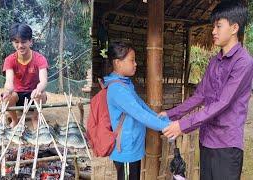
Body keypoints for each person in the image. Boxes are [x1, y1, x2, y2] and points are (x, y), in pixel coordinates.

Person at [160, 2, 253, 180]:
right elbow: (200, 96)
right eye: (213, 26)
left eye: (219, 26)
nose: (213, 31)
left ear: (234, 28)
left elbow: (223, 103)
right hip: (207, 139)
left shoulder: (244, 62)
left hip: (226, 144)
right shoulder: (214, 61)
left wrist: (183, 125)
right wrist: (171, 114)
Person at [104, 41, 171, 180]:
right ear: (117, 63)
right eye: (132, 60)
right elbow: (140, 115)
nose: (135, 64)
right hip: (126, 150)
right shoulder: (117, 89)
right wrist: (169, 127)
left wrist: (164, 120)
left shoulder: (125, 84)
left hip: (132, 147)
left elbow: (142, 107)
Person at [0, 23, 49, 129]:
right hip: (17, 97)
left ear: (30, 42)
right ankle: (15, 120)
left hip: (33, 97)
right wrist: (7, 91)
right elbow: (9, 82)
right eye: (16, 42)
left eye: (23, 42)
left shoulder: (40, 58)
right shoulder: (9, 60)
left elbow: (43, 81)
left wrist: (38, 90)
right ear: (12, 43)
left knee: (42, 94)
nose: (20, 45)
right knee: (9, 96)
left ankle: (35, 117)